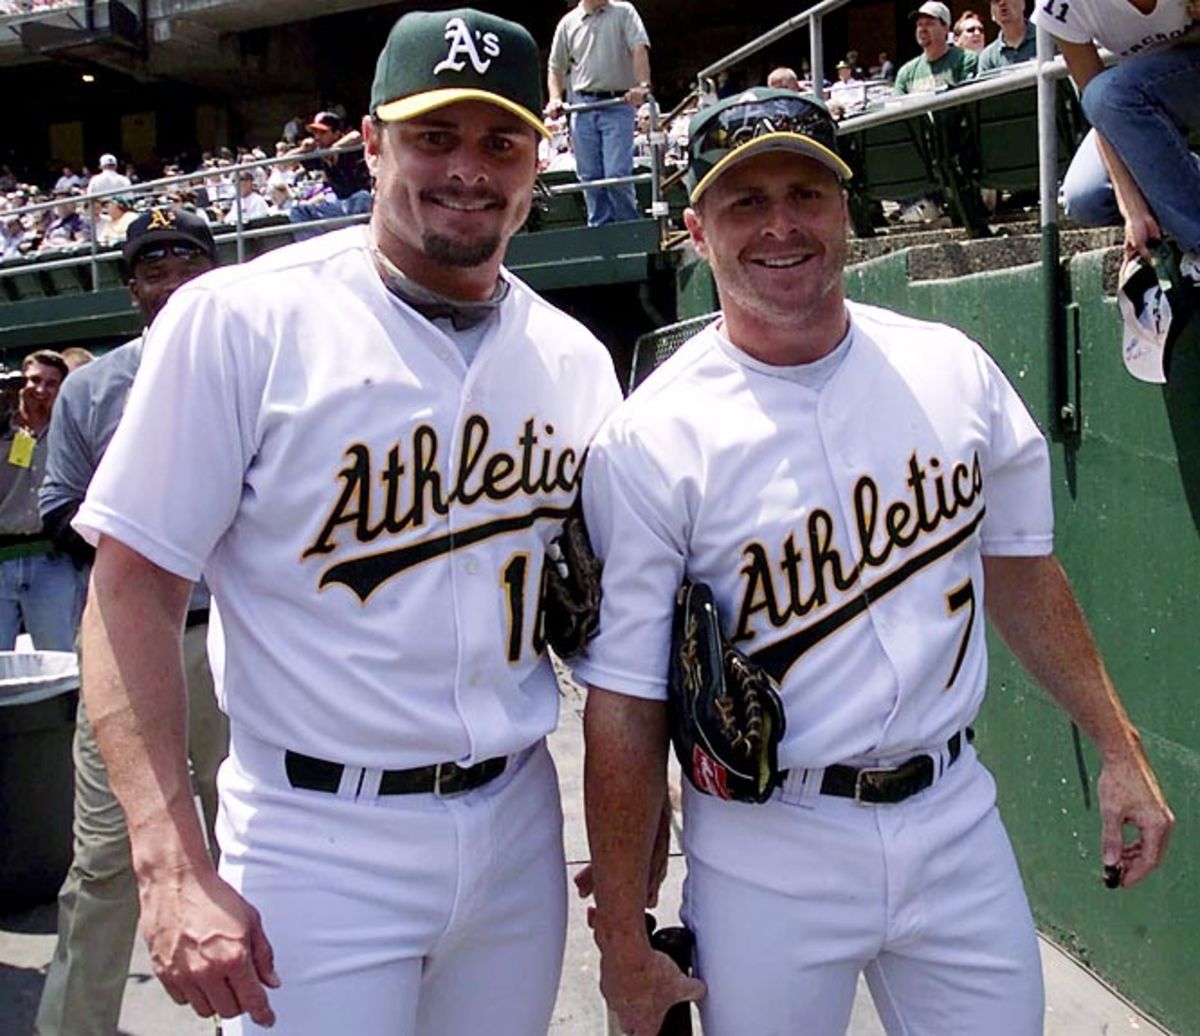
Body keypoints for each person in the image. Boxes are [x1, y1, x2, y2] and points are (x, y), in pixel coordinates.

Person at [571, 86, 1175, 1036]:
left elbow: (1021, 572)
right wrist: (622, 939)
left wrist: (1118, 748)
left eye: (806, 195)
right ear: (696, 231)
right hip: (769, 842)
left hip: (953, 817)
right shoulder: (650, 438)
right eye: (746, 201)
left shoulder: (950, 369)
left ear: (845, 210)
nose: (781, 226)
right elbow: (625, 703)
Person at [72, 9, 621, 1035]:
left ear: (537, 162)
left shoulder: (572, 359)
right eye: (433, 136)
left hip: (516, 819)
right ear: (370, 145)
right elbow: (130, 590)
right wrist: (168, 857)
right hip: (317, 832)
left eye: (500, 142)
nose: (468, 169)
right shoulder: (242, 319)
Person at [34, 207, 228, 1036]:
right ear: (132, 287)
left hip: (233, 640)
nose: (173, 280)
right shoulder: (93, 387)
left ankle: (265, 1019)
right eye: (154, 268)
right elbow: (56, 509)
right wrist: (150, 524)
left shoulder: (260, 369)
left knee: (255, 842)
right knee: (108, 860)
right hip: (126, 640)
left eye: (188, 262)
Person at [1032, 0, 1200, 268]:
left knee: (1116, 92)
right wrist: (1131, 207)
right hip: (1141, 98)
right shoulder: (1060, 5)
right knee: (1087, 197)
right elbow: (1098, 104)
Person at [546, 0, 652, 226]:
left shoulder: (624, 11)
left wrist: (642, 85)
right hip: (582, 106)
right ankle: (599, 231)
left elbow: (639, 48)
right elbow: (555, 67)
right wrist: (555, 99)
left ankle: (628, 228)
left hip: (617, 102)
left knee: (617, 174)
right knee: (589, 177)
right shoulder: (568, 23)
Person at [0, 349, 76, 651]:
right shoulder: (5, 428)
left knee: (60, 654)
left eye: (50, 383)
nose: (40, 390)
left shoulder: (67, 431)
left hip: (51, 557)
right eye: (33, 380)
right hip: (4, 554)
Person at [286, 108, 372, 233]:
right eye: (315, 133)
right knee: (298, 211)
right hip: (339, 206)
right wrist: (303, 149)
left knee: (363, 196)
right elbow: (284, 162)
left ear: (336, 133)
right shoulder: (319, 153)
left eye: (322, 132)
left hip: (359, 202)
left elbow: (357, 136)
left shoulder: (349, 147)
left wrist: (334, 149)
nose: (317, 137)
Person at [894, 0, 979, 94]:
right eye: (919, 24)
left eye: (929, 24)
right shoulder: (906, 73)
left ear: (945, 28)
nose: (922, 29)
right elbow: (898, 102)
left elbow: (969, 98)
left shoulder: (965, 60)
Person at [978, 0, 1037, 73]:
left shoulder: (1046, 39)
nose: (1002, 3)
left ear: (1022, 4)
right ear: (992, 13)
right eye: (996, 0)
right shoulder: (988, 57)